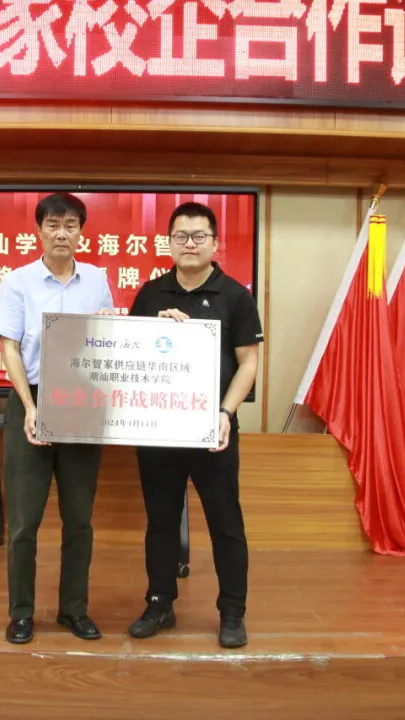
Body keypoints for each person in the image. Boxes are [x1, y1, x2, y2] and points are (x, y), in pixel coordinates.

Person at [126, 201, 263, 649]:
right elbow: (133, 356)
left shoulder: (235, 296)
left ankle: (232, 612)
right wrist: (159, 331)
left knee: (225, 522)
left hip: (212, 431)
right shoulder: (150, 294)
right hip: (159, 430)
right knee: (161, 521)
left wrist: (226, 413)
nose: (189, 244)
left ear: (215, 243)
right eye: (181, 236)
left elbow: (249, 363)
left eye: (199, 236)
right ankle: (159, 603)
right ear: (169, 243)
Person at [0, 192, 115, 645]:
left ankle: (73, 609)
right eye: (53, 225)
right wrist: (29, 407)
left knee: (79, 519)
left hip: (82, 400)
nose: (62, 233)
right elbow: (9, 347)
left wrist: (109, 326)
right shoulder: (18, 281)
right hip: (33, 399)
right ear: (39, 230)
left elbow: (106, 340)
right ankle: (21, 612)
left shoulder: (97, 279)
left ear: (82, 232)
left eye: (71, 225)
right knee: (24, 521)